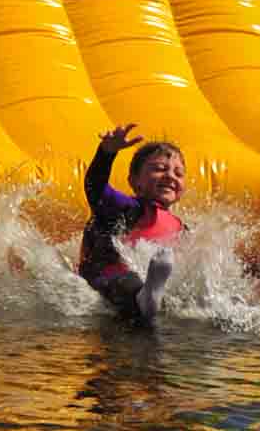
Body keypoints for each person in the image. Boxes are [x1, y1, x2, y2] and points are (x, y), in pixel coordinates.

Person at [78, 123, 184, 325]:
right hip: (105, 277)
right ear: (135, 181)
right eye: (159, 169)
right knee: (125, 278)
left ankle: (149, 297)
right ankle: (144, 300)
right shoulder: (125, 208)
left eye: (178, 173)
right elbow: (95, 187)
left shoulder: (179, 226)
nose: (170, 176)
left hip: (147, 284)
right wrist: (106, 153)